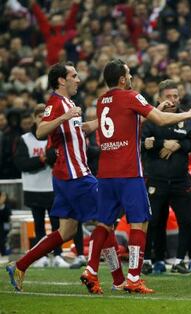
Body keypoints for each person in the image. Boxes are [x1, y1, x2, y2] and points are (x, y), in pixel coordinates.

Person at [80, 59, 191, 294]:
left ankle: (91, 270)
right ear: (123, 79)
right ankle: (134, 277)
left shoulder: (101, 101)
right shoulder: (131, 95)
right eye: (129, 73)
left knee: (104, 223)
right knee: (140, 221)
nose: (132, 77)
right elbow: (161, 120)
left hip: (106, 173)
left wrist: (157, 107)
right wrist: (188, 113)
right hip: (129, 172)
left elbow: (127, 120)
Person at [6, 62, 121, 292]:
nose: (78, 80)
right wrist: (64, 116)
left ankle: (20, 265)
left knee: (66, 231)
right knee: (106, 219)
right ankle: (118, 280)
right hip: (75, 176)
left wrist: (110, 119)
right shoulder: (56, 103)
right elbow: (40, 131)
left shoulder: (69, 104)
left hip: (68, 176)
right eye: (74, 75)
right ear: (61, 80)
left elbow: (80, 129)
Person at [141, 79, 191, 275]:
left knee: (187, 221)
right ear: (159, 98)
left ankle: (179, 260)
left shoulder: (186, 117)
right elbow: (143, 142)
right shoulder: (150, 118)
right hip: (156, 179)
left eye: (175, 96)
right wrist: (162, 142)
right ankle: (151, 259)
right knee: (155, 221)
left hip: (179, 180)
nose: (172, 100)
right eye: (168, 97)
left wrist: (178, 144)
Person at [14, 104, 70, 268]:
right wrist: (43, 159)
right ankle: (41, 256)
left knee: (56, 225)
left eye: (44, 116)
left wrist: (50, 158)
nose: (42, 119)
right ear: (34, 118)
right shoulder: (25, 139)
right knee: (39, 225)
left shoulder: (56, 137)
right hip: (34, 188)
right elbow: (21, 163)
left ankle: (58, 255)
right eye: (39, 116)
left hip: (53, 187)